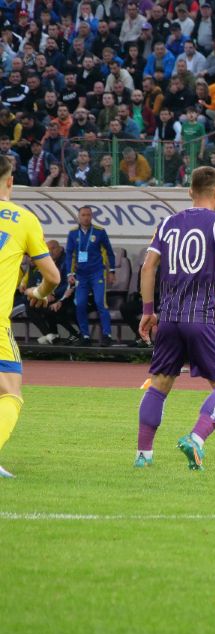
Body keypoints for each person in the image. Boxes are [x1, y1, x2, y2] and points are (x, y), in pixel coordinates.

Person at [135, 167, 215, 470]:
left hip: (169, 320)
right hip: (203, 319)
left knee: (159, 385)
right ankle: (196, 439)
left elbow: (148, 267)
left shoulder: (166, 224)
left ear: (190, 192)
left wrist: (149, 311)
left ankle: (143, 455)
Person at [0, 156, 60, 478]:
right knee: (10, 392)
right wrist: (38, 292)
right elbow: (52, 276)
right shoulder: (23, 219)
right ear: (11, 181)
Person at [64, 206, 117, 346]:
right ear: (78, 217)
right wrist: (70, 274)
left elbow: (109, 252)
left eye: (88, 215)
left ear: (91, 216)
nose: (86, 217)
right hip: (81, 275)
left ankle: (107, 335)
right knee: (80, 304)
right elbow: (69, 254)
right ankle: (85, 336)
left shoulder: (99, 232)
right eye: (83, 215)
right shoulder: (73, 233)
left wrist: (111, 271)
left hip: (97, 273)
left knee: (100, 303)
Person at [26, 240, 80, 344]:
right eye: (48, 249)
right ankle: (50, 334)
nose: (50, 252)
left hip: (69, 297)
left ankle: (75, 334)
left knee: (52, 309)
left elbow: (69, 283)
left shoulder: (67, 261)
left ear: (60, 248)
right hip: (53, 296)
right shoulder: (47, 261)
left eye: (53, 248)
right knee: (30, 307)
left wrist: (54, 295)